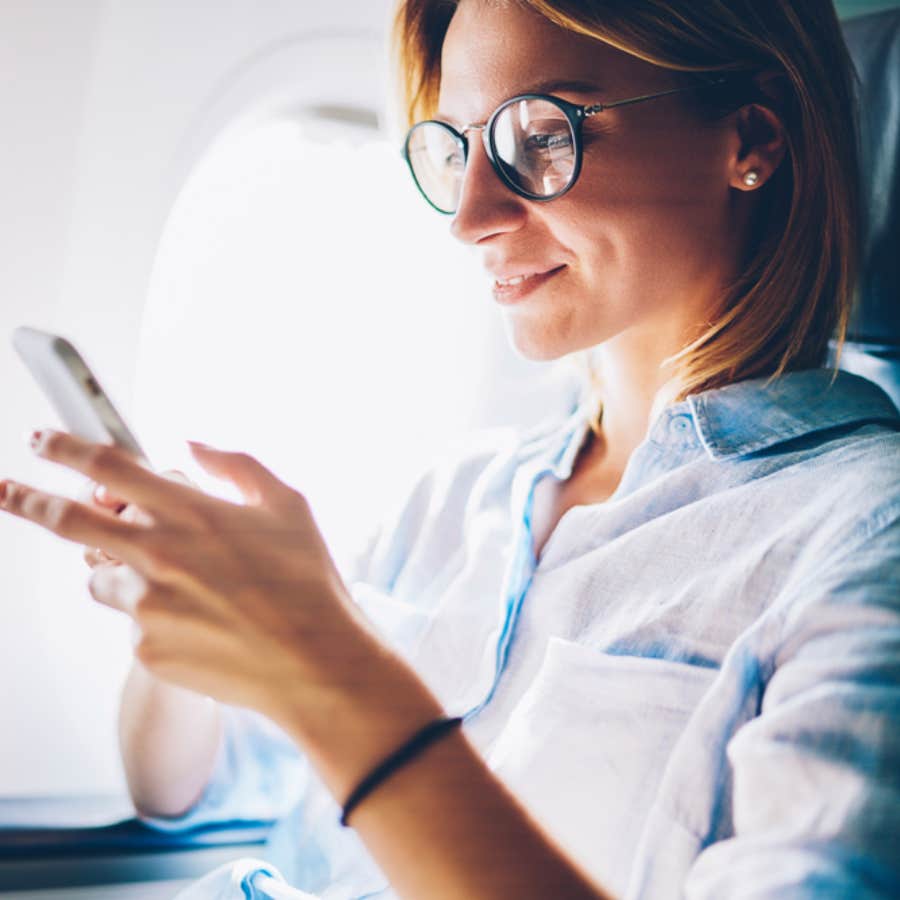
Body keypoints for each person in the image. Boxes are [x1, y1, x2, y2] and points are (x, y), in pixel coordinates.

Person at [2, 0, 899, 897]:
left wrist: (338, 684)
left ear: (751, 139)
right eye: (457, 148)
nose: (470, 216)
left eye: (541, 136)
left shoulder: (864, 532)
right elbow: (181, 791)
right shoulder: (459, 496)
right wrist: (186, 605)